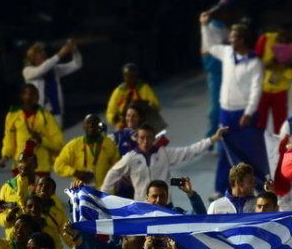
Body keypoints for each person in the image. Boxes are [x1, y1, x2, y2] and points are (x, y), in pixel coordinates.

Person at [198, 17, 267, 197]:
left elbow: (256, 89)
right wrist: (204, 25)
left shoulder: (255, 62)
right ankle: (221, 190)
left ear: (242, 40)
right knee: (225, 152)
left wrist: (249, 112)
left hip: (244, 113)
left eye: (233, 37)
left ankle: (259, 187)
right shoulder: (227, 53)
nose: (230, 40)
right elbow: (210, 47)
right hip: (225, 112)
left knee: (248, 152)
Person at [100, 124, 228, 201]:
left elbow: (189, 151)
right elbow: (113, 173)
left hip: (165, 205)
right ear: (137, 139)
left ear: (154, 138)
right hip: (142, 207)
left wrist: (213, 139)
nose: (145, 141)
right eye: (142, 138)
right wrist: (102, 197)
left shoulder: (164, 153)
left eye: (149, 137)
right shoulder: (130, 158)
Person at [0, 84, 64, 175]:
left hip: (41, 167)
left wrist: (42, 140)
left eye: (35, 94)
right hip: (20, 166)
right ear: (22, 96)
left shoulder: (46, 116)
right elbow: (8, 139)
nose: (33, 97)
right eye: (29, 94)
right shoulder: (13, 115)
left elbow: (58, 142)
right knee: (20, 189)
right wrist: (5, 156)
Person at [22, 40, 82, 127]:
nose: (43, 54)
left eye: (42, 52)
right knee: (41, 139)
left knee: (57, 138)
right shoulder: (27, 71)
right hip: (38, 112)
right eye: (39, 53)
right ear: (32, 57)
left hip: (56, 110)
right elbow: (41, 70)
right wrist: (59, 54)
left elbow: (77, 64)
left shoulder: (53, 69)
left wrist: (74, 51)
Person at [54, 114, 119, 188]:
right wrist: (75, 172)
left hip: (105, 191)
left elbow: (117, 165)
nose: (91, 125)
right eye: (88, 123)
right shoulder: (74, 145)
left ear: (100, 126)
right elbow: (58, 165)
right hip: (81, 191)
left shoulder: (108, 143)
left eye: (95, 123)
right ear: (83, 126)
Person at [106, 63, 162, 130]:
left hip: (143, 126)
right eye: (128, 76)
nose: (131, 79)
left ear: (137, 75)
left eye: (133, 76)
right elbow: (111, 111)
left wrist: (146, 107)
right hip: (124, 126)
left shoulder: (144, 87)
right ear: (124, 76)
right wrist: (114, 118)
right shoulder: (119, 91)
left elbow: (156, 105)